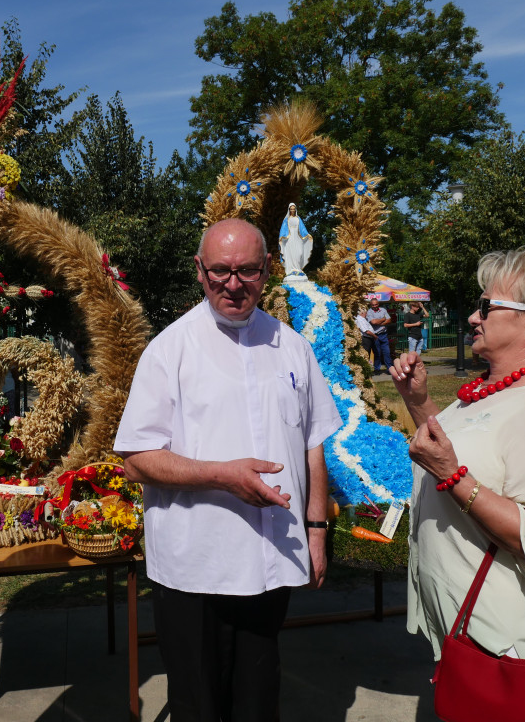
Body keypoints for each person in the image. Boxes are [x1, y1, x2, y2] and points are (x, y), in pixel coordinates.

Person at [114, 218, 342, 721]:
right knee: (198, 706)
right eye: (220, 270)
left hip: (272, 559)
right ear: (200, 270)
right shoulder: (170, 350)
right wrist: (223, 476)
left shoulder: (292, 347)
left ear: (268, 271)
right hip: (195, 567)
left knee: (260, 702)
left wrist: (318, 532)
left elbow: (312, 444)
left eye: (247, 271)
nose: (232, 284)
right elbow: (136, 460)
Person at [388, 246, 525, 687]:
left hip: (510, 650)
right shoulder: (498, 389)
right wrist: (420, 402)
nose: (473, 317)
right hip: (470, 636)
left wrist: (453, 478)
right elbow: (451, 447)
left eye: (487, 306)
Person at [278, 202, 313, 278]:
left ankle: (298, 269)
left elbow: (303, 229)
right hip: (289, 239)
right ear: (289, 210)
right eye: (291, 209)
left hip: (298, 238)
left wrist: (308, 235)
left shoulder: (298, 218)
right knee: (291, 254)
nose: (292, 210)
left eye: (294, 209)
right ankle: (292, 270)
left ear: (295, 209)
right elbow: (283, 230)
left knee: (299, 253)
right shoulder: (286, 219)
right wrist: (281, 238)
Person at [365, 297, 392, 372]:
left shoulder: (383, 310)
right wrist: (383, 319)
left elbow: (389, 320)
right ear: (371, 305)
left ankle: (389, 368)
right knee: (377, 353)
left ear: (378, 304)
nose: (375, 306)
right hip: (375, 335)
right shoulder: (369, 312)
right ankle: (377, 369)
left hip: (384, 334)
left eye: (376, 304)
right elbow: (373, 322)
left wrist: (379, 322)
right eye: (373, 305)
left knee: (387, 352)